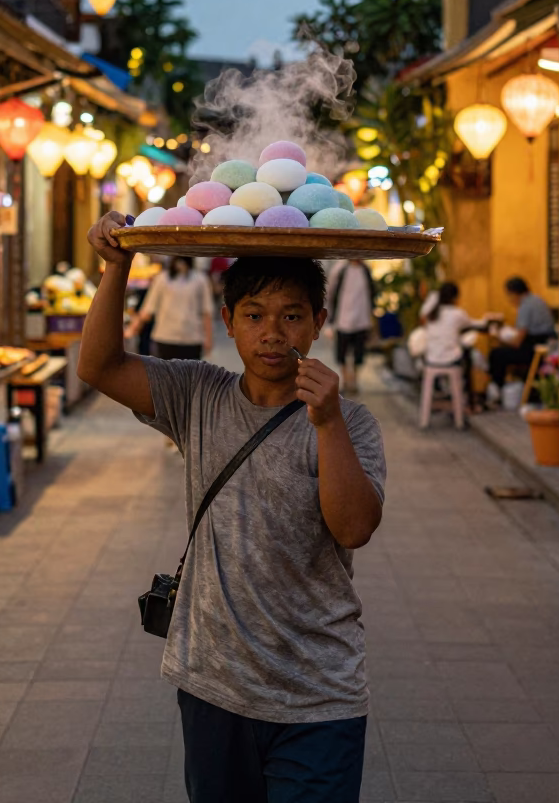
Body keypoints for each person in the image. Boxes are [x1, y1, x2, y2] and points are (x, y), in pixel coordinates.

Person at [80, 212, 386, 803]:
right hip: (213, 683)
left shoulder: (352, 423)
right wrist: (117, 268)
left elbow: (353, 529)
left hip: (320, 693)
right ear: (229, 322)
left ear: (319, 323)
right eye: (254, 316)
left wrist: (326, 424)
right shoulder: (199, 392)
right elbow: (100, 367)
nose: (273, 333)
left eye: (292, 316)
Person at [131, 256, 214, 360]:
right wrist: (209, 339)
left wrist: (133, 328)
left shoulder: (162, 278)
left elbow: (147, 312)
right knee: (188, 375)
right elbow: (206, 313)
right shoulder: (200, 279)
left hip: (174, 338)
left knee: (167, 374)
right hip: (182, 338)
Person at [488, 276, 557, 399]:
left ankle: (497, 390)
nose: (509, 299)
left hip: (534, 348)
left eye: (509, 295)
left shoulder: (525, 306)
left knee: (496, 354)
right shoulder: (537, 300)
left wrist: (499, 337)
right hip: (548, 344)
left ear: (514, 294)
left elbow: (517, 342)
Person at [327, 259, 375, 392]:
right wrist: (331, 319)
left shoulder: (365, 269)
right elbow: (331, 293)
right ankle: (345, 380)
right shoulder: (340, 269)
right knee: (341, 353)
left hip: (362, 320)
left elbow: (371, 293)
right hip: (343, 320)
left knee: (358, 353)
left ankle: (354, 381)